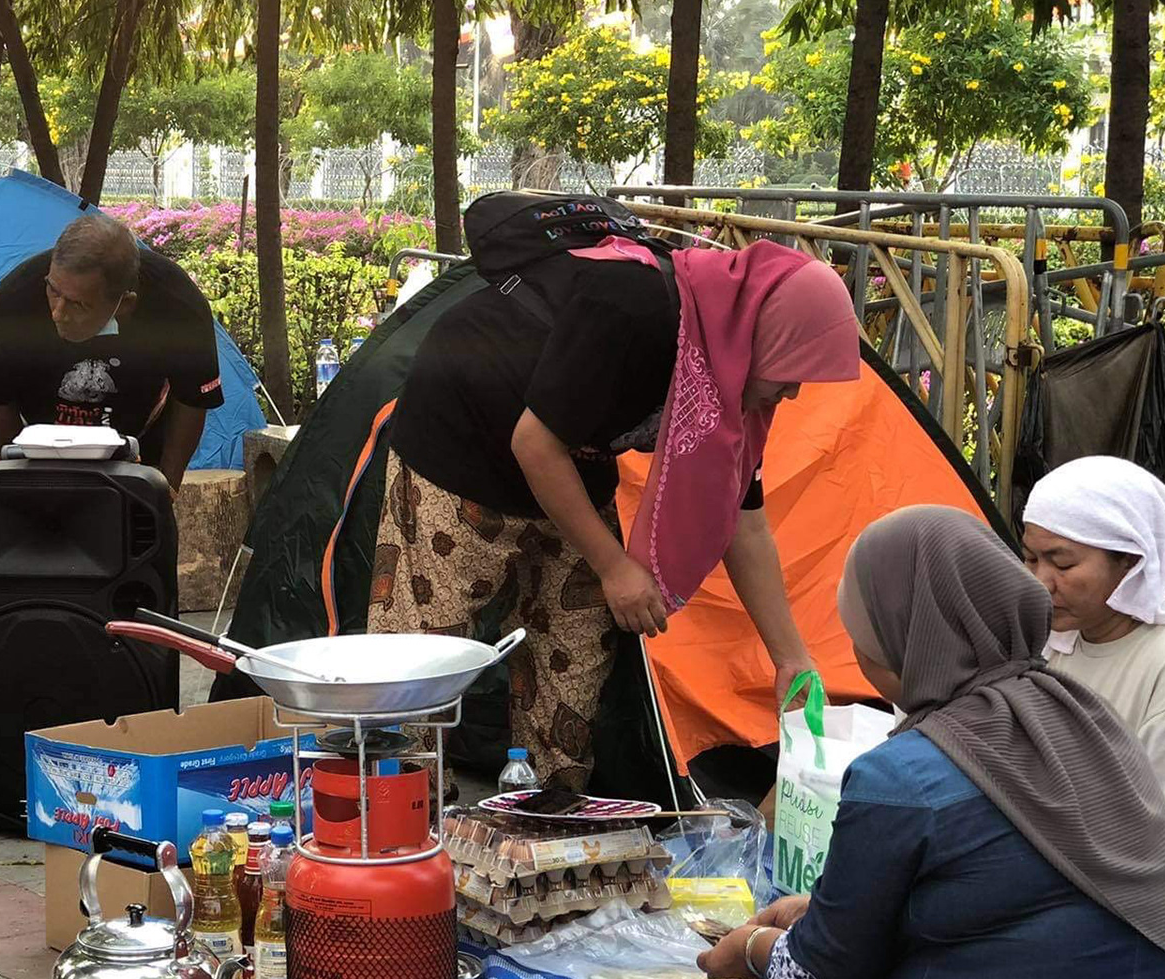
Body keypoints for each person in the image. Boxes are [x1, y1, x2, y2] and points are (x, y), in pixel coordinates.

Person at [594, 505, 1165, 979]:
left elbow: (823, 976)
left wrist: (750, 949)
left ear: (899, 639)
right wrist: (819, 913)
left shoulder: (905, 777)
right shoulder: (1080, 720)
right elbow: (1002, 898)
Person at [369, 236, 861, 790]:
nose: (792, 392)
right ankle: (404, 819)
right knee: (426, 656)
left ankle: (549, 818)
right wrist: (614, 567)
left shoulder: (730, 385)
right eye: (792, 371)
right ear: (766, 332)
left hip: (573, 468)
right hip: (460, 447)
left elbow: (744, 521)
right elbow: (534, 444)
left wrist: (791, 658)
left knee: (575, 649)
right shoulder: (637, 307)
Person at [0, 214, 225, 492]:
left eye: (77, 305)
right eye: (53, 292)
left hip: (137, 444)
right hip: (29, 443)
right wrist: (18, 480)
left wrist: (167, 485)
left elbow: (193, 400)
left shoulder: (178, 305)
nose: (57, 313)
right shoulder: (16, 296)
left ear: (124, 304)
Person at [1022, 455, 1165, 795]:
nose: (1041, 581)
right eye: (1031, 558)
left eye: (1063, 563)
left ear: (1130, 562)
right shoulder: (1043, 639)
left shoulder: (1162, 665)